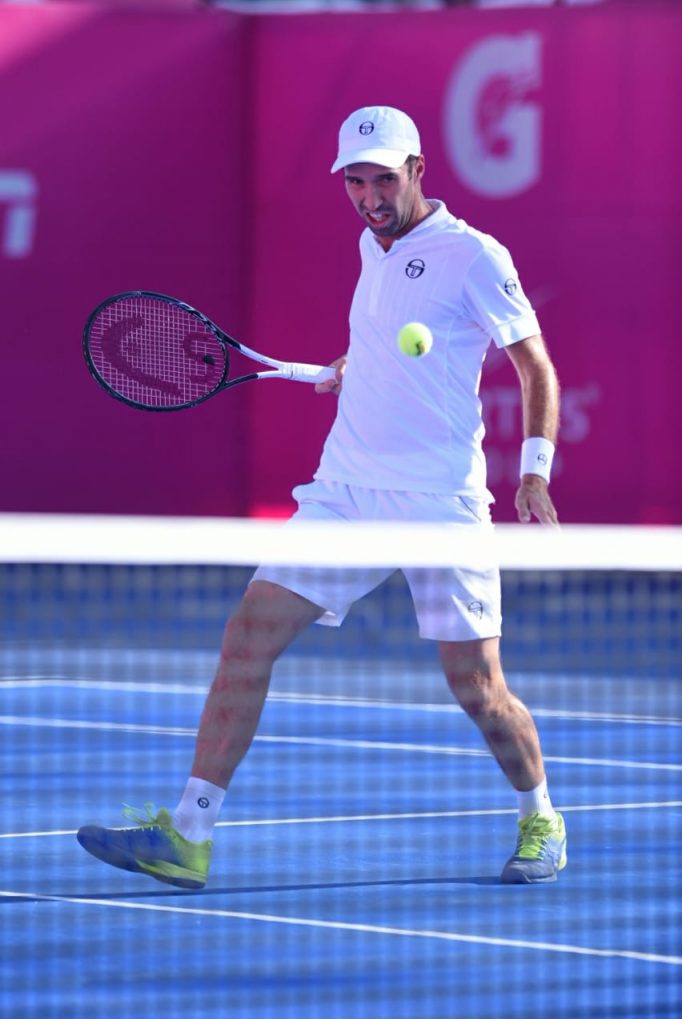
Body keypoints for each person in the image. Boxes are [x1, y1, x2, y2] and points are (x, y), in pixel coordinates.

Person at [77, 105, 566, 889]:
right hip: (345, 494)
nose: (370, 197)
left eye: (384, 180)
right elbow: (393, 338)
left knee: (478, 688)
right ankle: (189, 836)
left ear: (418, 171)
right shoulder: (373, 246)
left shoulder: (474, 255)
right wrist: (351, 365)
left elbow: (535, 366)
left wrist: (534, 470)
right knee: (248, 637)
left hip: (438, 502)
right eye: (355, 182)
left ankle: (540, 816)